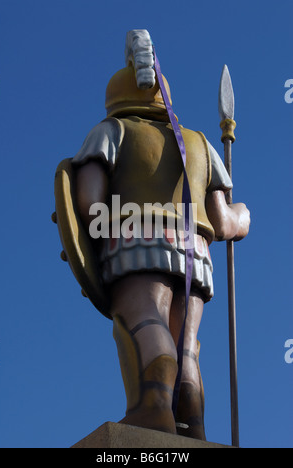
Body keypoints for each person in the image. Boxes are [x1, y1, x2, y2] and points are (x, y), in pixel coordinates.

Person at [65, 30, 250, 440]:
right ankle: (193, 421)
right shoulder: (201, 143)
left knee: (145, 319)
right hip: (196, 255)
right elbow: (223, 223)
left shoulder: (111, 131)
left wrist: (85, 234)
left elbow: (88, 201)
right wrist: (244, 216)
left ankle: (153, 408)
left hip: (133, 244)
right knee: (188, 343)